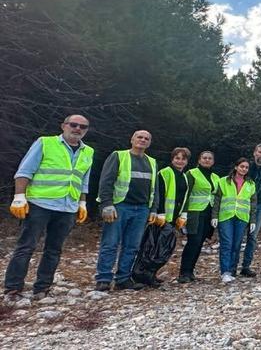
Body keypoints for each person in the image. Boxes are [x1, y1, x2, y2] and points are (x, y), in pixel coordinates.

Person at [5, 115, 94, 301]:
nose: (78, 129)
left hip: (68, 207)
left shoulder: (88, 152)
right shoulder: (45, 143)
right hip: (40, 204)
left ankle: (42, 288)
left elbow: (83, 181)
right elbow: (24, 171)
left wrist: (82, 202)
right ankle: (13, 289)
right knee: (26, 246)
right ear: (64, 126)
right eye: (74, 125)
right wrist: (19, 196)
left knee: (54, 249)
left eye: (83, 127)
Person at [94, 130, 160, 291]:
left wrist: (154, 209)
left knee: (132, 246)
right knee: (110, 243)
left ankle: (123, 278)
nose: (142, 140)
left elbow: (155, 188)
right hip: (119, 206)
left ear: (149, 143)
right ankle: (103, 278)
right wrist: (107, 204)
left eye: (146, 139)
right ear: (132, 139)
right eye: (139, 137)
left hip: (142, 209)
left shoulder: (152, 162)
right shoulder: (118, 156)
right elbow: (106, 181)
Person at [140, 147, 190, 287]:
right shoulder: (165, 173)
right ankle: (145, 274)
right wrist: (160, 213)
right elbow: (159, 194)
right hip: (162, 218)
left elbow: (184, 197)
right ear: (172, 159)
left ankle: (152, 273)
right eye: (177, 158)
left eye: (183, 159)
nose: (180, 161)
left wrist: (183, 215)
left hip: (174, 218)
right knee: (156, 247)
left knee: (165, 248)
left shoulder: (184, 176)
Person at [211, 158, 257, 283]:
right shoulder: (223, 181)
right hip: (226, 216)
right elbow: (217, 200)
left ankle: (232, 271)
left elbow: (253, 204)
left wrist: (253, 221)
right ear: (236, 167)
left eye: (246, 167)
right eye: (242, 166)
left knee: (236, 245)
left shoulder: (251, 184)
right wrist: (214, 216)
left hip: (242, 217)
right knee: (227, 244)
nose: (244, 169)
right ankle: (225, 272)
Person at [178, 150, 219, 283]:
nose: (207, 160)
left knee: (200, 242)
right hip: (194, 213)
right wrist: (183, 213)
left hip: (208, 213)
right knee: (193, 242)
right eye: (204, 158)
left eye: (209, 158)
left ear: (213, 161)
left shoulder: (215, 177)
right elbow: (186, 194)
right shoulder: (192, 173)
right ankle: (184, 272)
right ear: (199, 160)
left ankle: (191, 271)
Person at [240, 143, 261, 278]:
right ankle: (231, 266)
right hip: (243, 205)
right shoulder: (246, 167)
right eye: (260, 152)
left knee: (252, 237)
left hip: (259, 206)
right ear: (254, 153)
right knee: (238, 236)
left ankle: (246, 266)